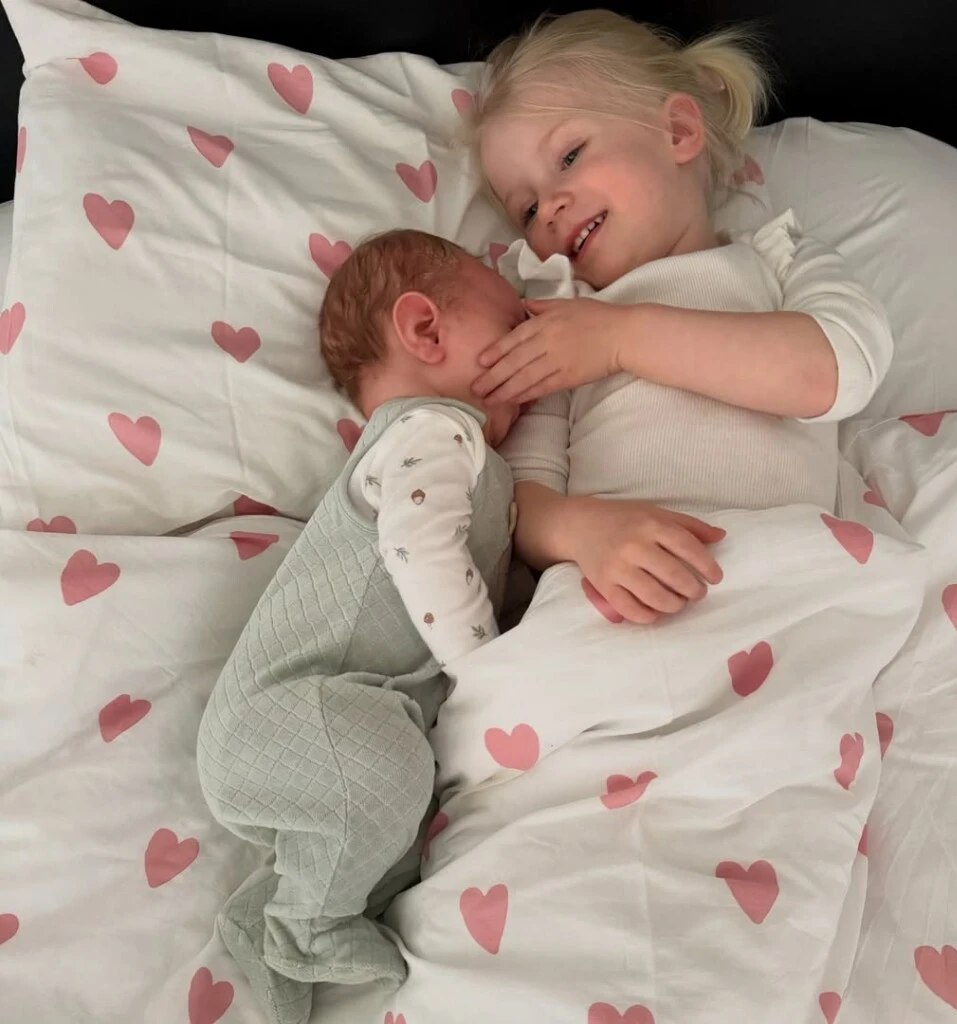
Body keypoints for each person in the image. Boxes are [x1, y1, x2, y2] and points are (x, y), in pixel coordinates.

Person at [464, 10, 894, 626]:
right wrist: (580, 531)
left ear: (678, 131)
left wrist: (620, 339)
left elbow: (834, 372)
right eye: (526, 209)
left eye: (570, 155)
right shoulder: (557, 317)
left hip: (788, 587)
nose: (550, 207)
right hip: (619, 602)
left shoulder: (779, 260)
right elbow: (520, 493)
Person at [196, 229, 523, 1024]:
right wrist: (487, 668)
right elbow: (421, 548)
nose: (529, 345)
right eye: (514, 324)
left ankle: (269, 914)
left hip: (308, 727)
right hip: (288, 713)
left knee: (395, 837)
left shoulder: (439, 444)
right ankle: (308, 928)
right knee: (388, 779)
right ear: (426, 330)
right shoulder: (433, 430)